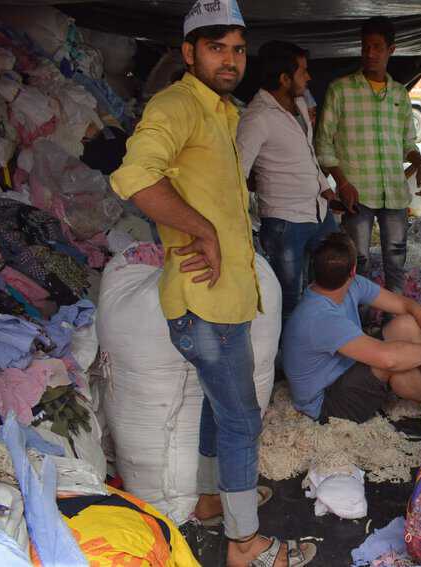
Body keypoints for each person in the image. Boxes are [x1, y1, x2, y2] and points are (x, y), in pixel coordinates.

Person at [109, 2, 315, 566]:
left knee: (219, 407)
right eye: (216, 48)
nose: (230, 60)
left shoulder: (223, 112)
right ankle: (243, 543)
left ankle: (208, 501)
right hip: (202, 301)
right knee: (242, 418)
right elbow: (133, 177)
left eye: (237, 49)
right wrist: (198, 228)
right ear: (189, 53)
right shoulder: (176, 104)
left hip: (227, 298)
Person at [282, 232, 421, 424]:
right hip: (326, 403)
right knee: (394, 363)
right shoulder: (319, 317)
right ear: (353, 270)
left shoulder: (351, 285)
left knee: (406, 324)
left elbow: (408, 306)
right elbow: (388, 359)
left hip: (345, 371)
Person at [316, 16, 421, 295]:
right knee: (358, 261)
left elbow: (407, 141)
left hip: (394, 192)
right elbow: (322, 143)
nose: (370, 54)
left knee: (396, 260)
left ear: (391, 50)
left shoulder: (400, 95)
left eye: (377, 47)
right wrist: (342, 183)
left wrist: (419, 163)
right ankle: (360, 321)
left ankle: (395, 318)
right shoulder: (340, 90)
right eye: (365, 47)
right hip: (357, 193)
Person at [238, 41, 337, 323]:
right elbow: (237, 172)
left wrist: (325, 188)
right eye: (303, 71)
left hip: (318, 209)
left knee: (334, 278)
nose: (309, 78)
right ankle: (288, 362)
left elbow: (309, 154)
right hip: (284, 222)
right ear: (284, 79)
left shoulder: (300, 104)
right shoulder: (257, 118)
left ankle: (321, 338)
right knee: (289, 298)